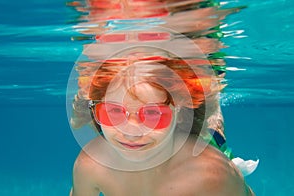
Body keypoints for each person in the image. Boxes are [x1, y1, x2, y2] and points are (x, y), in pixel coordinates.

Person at [69, 56, 254, 196]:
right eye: (114, 112)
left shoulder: (213, 174)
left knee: (214, 133)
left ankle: (214, 100)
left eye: (152, 114)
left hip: (203, 148)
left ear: (180, 113)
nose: (131, 132)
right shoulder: (90, 165)